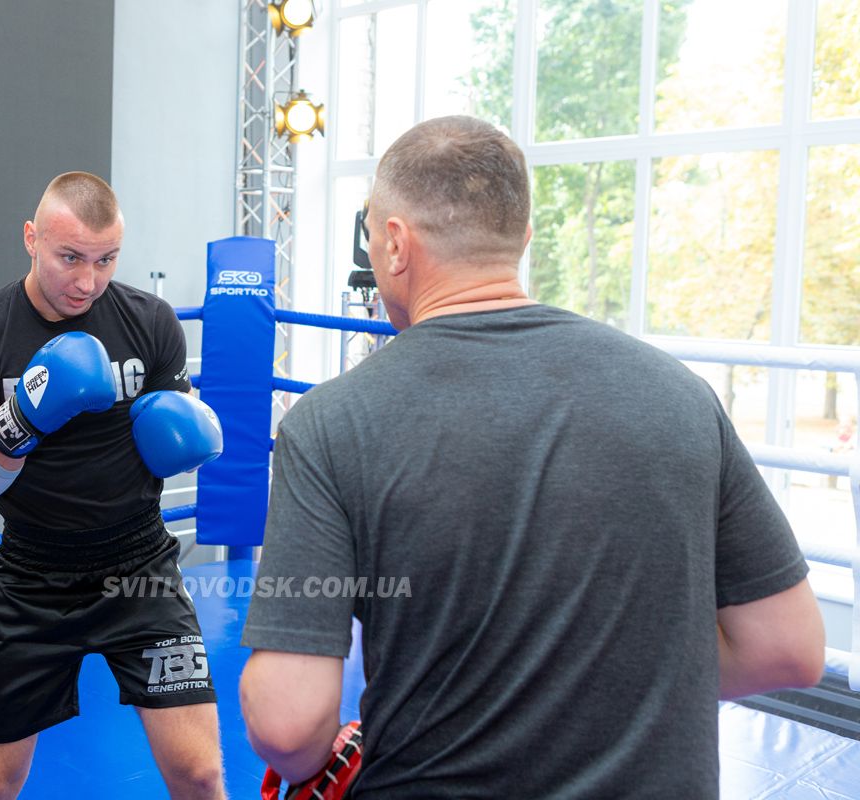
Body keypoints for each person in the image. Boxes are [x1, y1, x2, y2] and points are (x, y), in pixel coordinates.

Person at [238, 116, 825, 798]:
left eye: (370, 236)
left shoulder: (333, 423)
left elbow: (287, 724)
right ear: (520, 237)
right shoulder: (681, 395)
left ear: (394, 244)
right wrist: (605, 679)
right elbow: (788, 647)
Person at [0, 172, 226, 800]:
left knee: (200, 774)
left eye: (106, 259)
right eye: (70, 257)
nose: (88, 280)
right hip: (32, 575)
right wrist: (19, 422)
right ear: (31, 239)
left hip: (141, 566)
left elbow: (188, 428)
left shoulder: (151, 321)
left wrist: (199, 428)